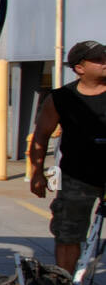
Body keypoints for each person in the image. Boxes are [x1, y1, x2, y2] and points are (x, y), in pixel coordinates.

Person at [30, 40, 106, 271]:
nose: (105, 63)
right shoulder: (60, 99)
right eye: (99, 59)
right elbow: (41, 136)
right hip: (77, 179)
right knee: (68, 234)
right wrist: (38, 174)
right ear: (80, 68)